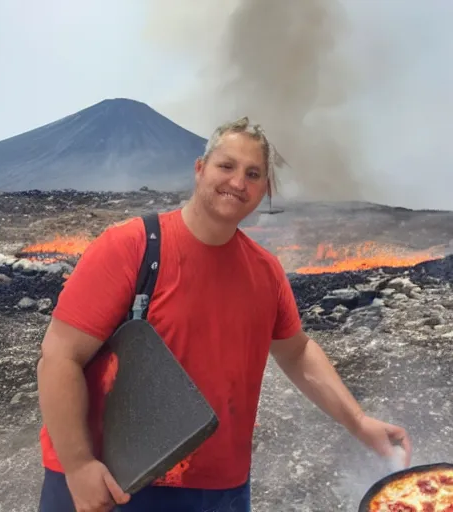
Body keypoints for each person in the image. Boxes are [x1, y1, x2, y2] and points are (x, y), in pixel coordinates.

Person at [36, 117, 412, 512]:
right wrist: (79, 467)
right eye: (226, 166)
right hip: (116, 479)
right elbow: (59, 357)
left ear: (264, 190)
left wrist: (359, 422)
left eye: (253, 174)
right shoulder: (130, 247)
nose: (238, 182)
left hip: (219, 488)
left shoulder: (265, 273)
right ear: (200, 169)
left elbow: (297, 352)